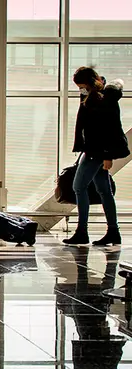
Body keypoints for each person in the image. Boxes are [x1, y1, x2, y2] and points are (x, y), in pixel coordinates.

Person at [64, 67, 129, 246]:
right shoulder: (93, 96)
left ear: (89, 83)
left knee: (79, 186)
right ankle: (113, 232)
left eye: (82, 85)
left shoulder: (104, 99)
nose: (80, 89)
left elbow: (110, 128)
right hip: (93, 150)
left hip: (97, 152)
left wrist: (108, 155)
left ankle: (82, 231)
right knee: (104, 191)